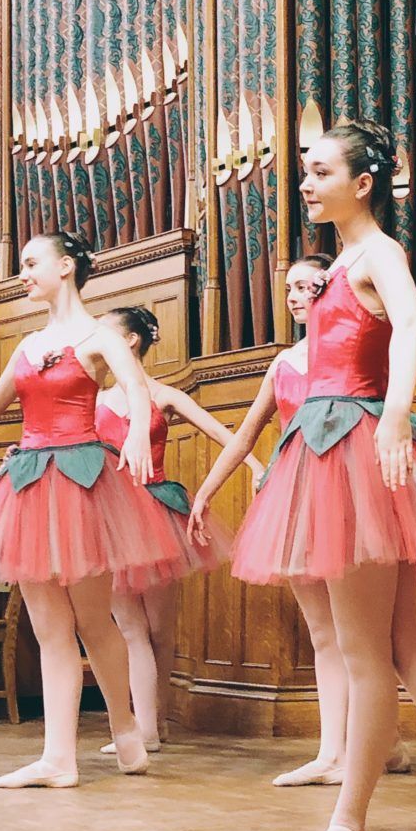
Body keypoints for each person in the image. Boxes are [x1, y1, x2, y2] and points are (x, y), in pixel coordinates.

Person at [191, 120, 416, 831]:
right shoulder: (351, 256)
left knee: (362, 654)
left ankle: (349, 821)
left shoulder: (378, 253)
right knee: (405, 641)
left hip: (348, 445)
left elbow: (413, 326)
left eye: (319, 172)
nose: (306, 184)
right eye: (304, 173)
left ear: (363, 182)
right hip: (333, 442)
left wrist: (390, 417)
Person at [188, 255, 410, 785]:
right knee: (324, 633)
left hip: (354, 490)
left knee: (370, 633)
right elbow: (244, 436)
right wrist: (206, 491)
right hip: (298, 498)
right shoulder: (283, 363)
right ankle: (334, 751)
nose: (293, 294)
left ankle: (375, 743)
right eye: (286, 286)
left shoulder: (358, 344)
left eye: (303, 284)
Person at [0, 232, 185, 788]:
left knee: (95, 621)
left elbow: (136, 389)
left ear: (66, 267)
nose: (22, 273)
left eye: (31, 263)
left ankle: (125, 728)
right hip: (29, 481)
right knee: (50, 627)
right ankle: (58, 759)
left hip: (81, 483)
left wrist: (141, 439)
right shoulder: (25, 344)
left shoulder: (101, 336)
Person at [93, 304, 257, 753]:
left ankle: (156, 721)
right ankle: (143, 729)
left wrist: (258, 465)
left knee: (160, 630)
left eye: (103, 332)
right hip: (113, 517)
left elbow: (222, 433)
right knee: (130, 628)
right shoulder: (95, 400)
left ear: (130, 341)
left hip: (159, 509)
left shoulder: (163, 394)